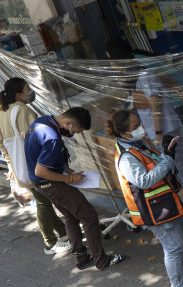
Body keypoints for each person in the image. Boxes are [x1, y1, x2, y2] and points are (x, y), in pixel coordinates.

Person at [108, 110, 183, 287]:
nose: (141, 128)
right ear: (124, 134)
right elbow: (144, 181)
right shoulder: (127, 157)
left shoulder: (139, 143)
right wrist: (167, 161)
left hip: (165, 203)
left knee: (178, 239)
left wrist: (165, 151)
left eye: (140, 123)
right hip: (153, 210)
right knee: (173, 247)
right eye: (135, 126)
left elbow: (156, 162)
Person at [105, 38, 183, 227]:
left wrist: (158, 133)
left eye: (111, 60)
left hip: (166, 129)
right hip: (154, 130)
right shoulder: (133, 75)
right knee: (173, 167)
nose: (111, 64)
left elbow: (156, 104)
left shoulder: (144, 74)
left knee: (176, 167)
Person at [24, 107, 129, 271]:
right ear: (68, 123)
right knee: (89, 216)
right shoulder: (51, 136)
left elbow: (45, 158)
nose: (75, 134)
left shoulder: (42, 122)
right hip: (50, 184)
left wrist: (68, 172)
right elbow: (41, 170)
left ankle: (81, 258)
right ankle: (101, 261)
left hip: (43, 184)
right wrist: (69, 178)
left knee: (70, 217)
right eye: (77, 130)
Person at [0, 78, 71, 255]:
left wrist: (11, 166)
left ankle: (63, 232)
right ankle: (50, 243)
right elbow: (36, 139)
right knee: (43, 203)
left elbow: (2, 144)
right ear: (18, 94)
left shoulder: (4, 112)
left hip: (20, 166)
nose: (30, 92)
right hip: (33, 166)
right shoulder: (22, 110)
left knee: (43, 200)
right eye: (27, 89)